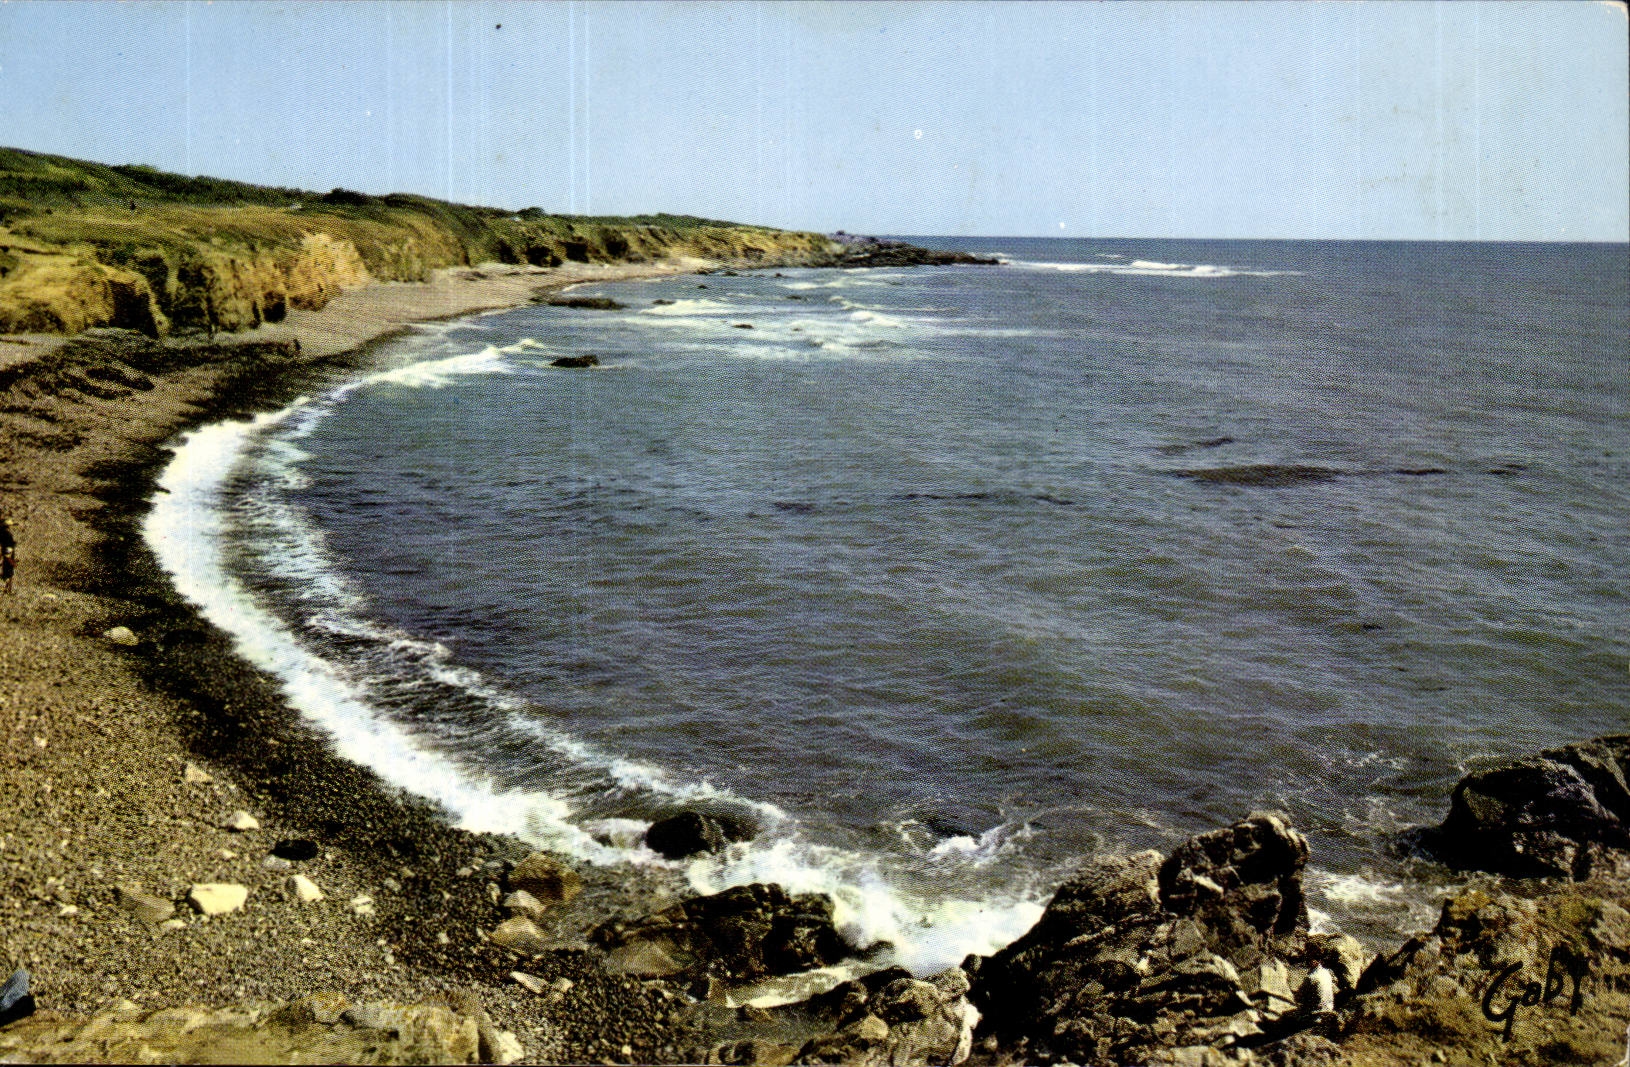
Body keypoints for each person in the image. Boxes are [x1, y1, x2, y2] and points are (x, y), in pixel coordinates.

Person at [0, 517, 15, 594]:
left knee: (7, 572)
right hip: (8, 555)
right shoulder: (8, 535)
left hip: (5, 554)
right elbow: (9, 547)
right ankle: (8, 590)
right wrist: (10, 558)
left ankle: (6, 589)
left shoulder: (2, 534)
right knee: (9, 573)